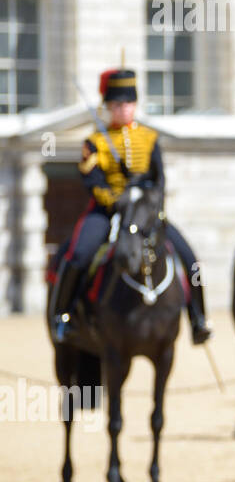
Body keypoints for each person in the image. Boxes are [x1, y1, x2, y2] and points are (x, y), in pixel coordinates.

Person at [50, 67, 211, 346]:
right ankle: (64, 315)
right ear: (108, 106)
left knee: (190, 260)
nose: (122, 109)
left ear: (135, 105)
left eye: (127, 104)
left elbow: (159, 180)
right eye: (116, 105)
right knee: (79, 254)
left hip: (146, 212)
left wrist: (146, 199)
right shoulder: (95, 142)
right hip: (108, 212)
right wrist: (116, 199)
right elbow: (92, 179)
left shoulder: (149, 139)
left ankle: (198, 317)